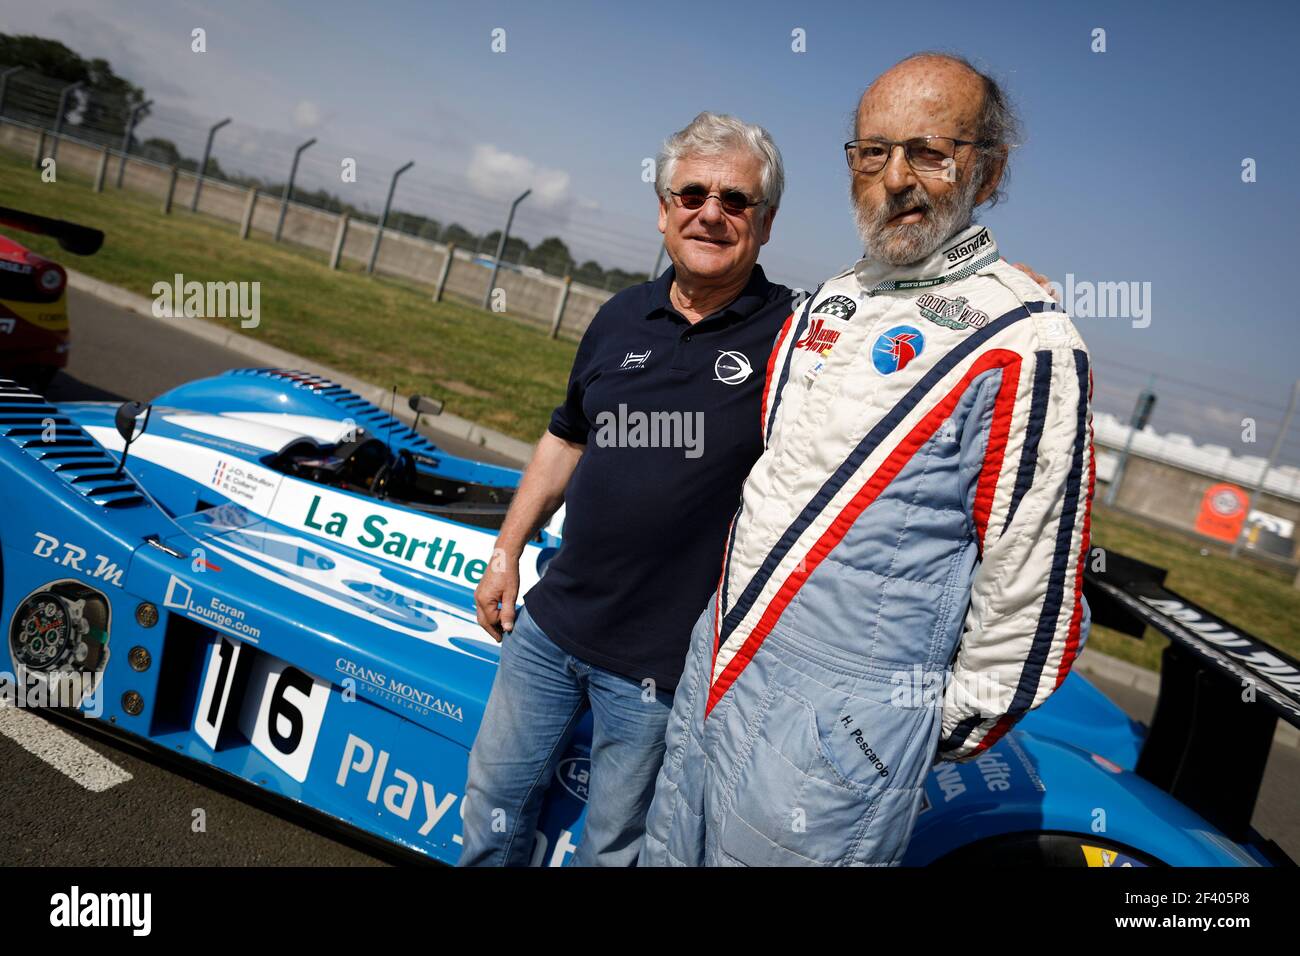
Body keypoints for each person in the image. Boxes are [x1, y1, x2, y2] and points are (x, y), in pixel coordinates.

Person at [640, 52, 1095, 867]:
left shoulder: (1028, 338)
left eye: (929, 151)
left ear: (985, 173)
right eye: (873, 152)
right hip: (723, 665)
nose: (896, 178)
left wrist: (897, 729)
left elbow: (1032, 599)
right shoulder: (835, 297)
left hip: (845, 722)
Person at [459, 112, 796, 866]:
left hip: (664, 669)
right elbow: (565, 435)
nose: (711, 211)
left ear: (765, 224)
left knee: (612, 850)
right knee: (492, 810)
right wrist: (507, 551)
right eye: (693, 193)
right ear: (663, 208)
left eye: (736, 200)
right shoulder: (618, 317)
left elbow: (892, 335)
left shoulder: (795, 339)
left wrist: (985, 292)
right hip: (548, 631)